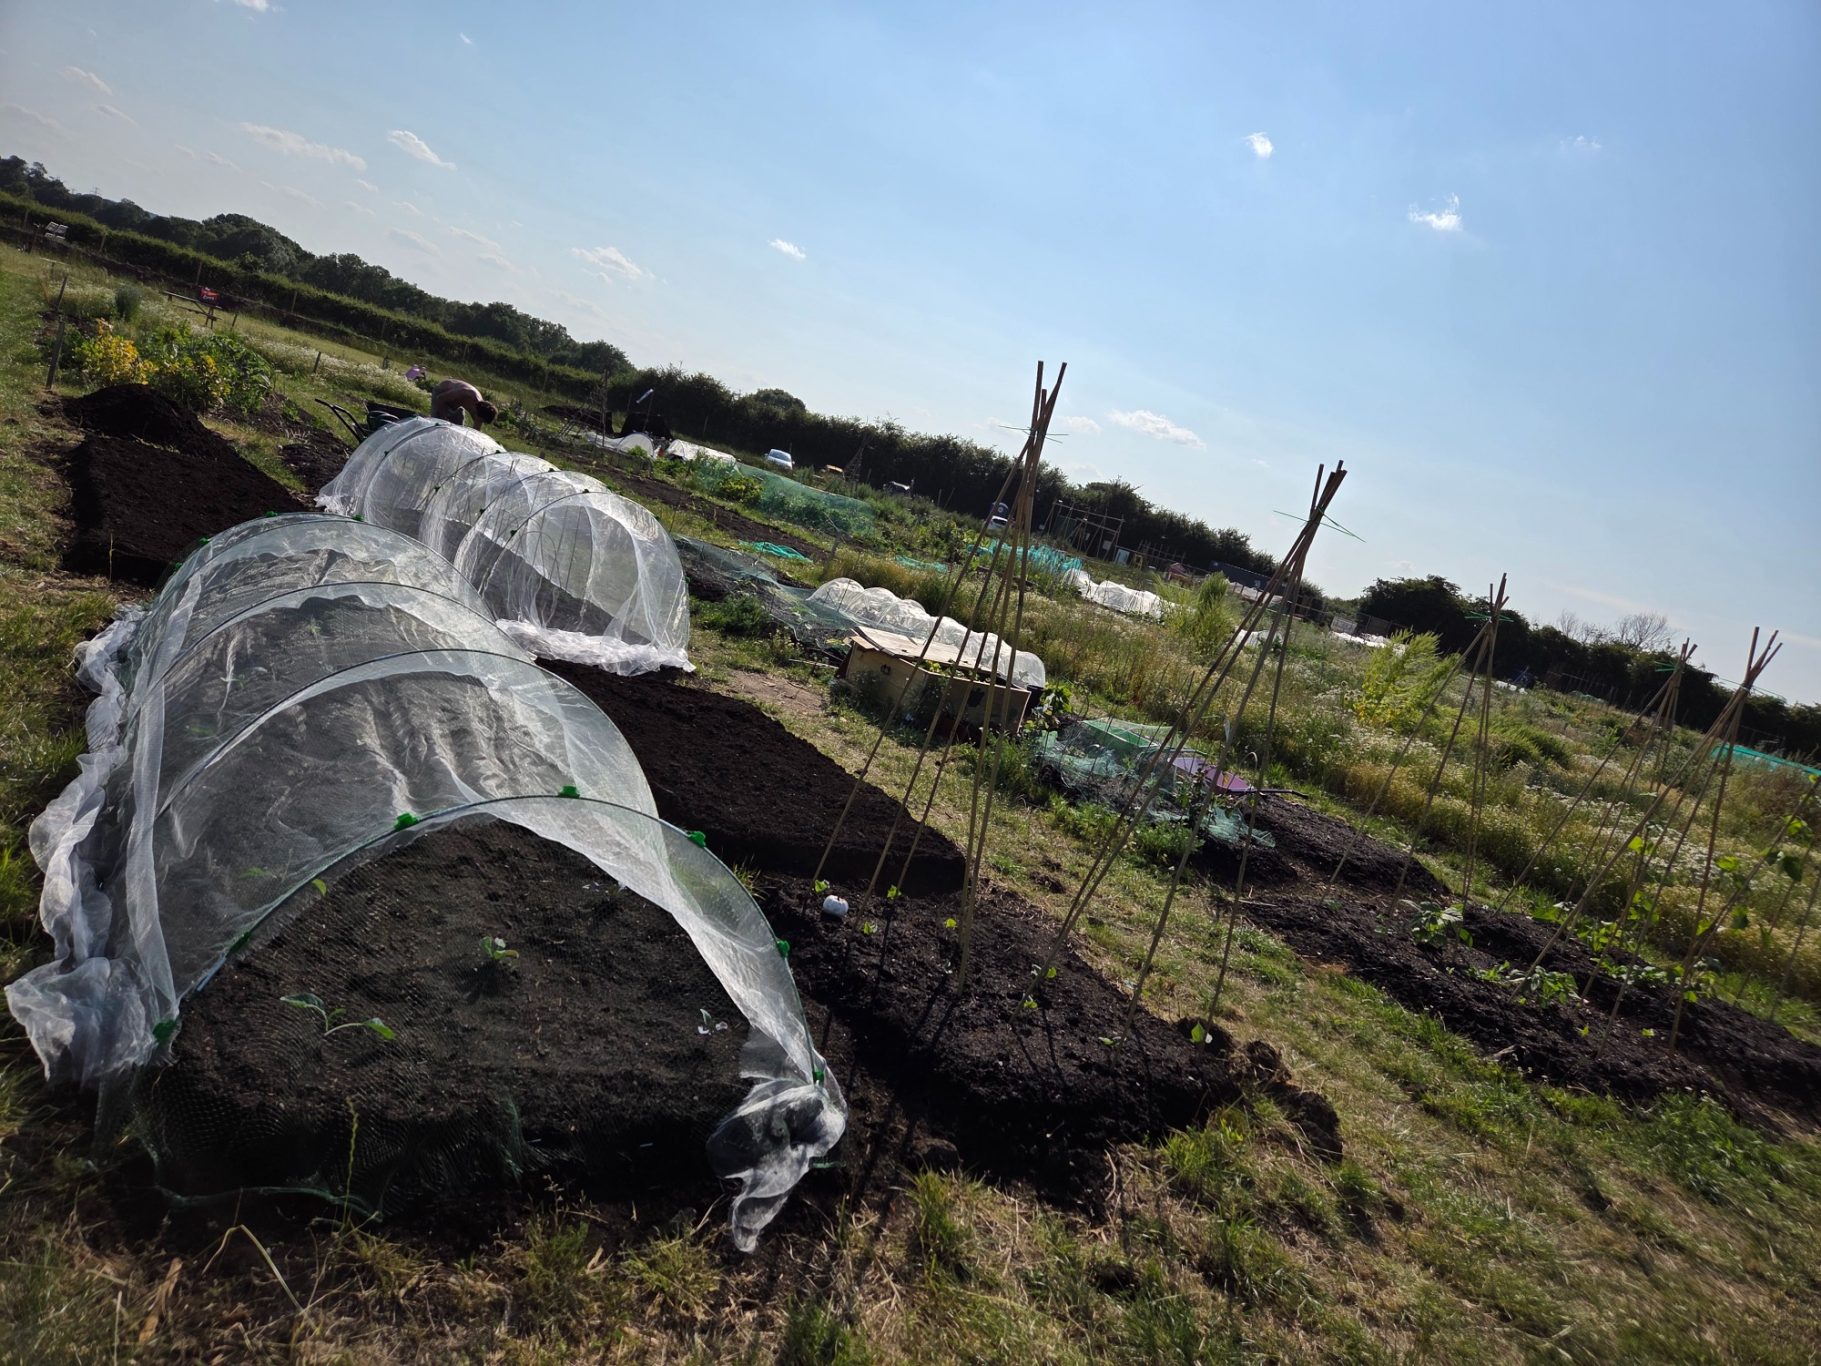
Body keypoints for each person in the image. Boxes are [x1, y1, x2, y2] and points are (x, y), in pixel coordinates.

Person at [429, 378, 498, 427]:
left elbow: (476, 430)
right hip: (441, 394)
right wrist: (444, 419)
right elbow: (440, 399)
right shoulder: (468, 393)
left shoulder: (480, 413)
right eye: (480, 420)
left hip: (456, 406)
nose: (479, 422)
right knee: (439, 425)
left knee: (458, 429)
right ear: (477, 413)